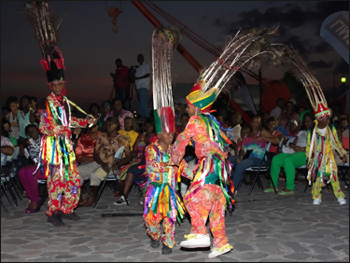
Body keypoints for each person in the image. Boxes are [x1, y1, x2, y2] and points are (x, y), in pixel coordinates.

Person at [172, 84, 234, 258]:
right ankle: (221, 242)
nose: (186, 108)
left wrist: (173, 160)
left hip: (209, 164)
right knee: (216, 203)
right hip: (221, 166)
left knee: (193, 196)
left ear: (197, 107)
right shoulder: (212, 121)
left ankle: (199, 232)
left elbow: (181, 140)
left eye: (188, 105)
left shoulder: (195, 120)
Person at [78, 116, 131, 207]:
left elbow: (129, 156)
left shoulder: (123, 139)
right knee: (77, 171)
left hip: (112, 165)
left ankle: (93, 195)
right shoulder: (101, 137)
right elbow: (95, 153)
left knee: (95, 175)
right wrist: (102, 163)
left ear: (117, 125)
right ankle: (78, 196)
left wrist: (118, 164)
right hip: (99, 162)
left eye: (111, 124)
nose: (108, 125)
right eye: (107, 123)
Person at [264, 112, 314, 194]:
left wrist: (301, 149)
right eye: (305, 122)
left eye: (308, 121)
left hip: (306, 154)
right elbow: (295, 142)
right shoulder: (301, 132)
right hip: (295, 151)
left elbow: (316, 147)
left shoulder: (315, 133)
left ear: (313, 122)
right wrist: (293, 145)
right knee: (276, 159)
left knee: (288, 160)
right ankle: (273, 185)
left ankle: (290, 187)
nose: (306, 123)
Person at [230, 115, 279, 190]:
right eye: (254, 122)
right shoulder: (246, 135)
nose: (255, 124)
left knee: (240, 165)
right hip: (246, 157)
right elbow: (242, 150)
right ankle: (227, 185)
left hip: (258, 158)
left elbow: (276, 141)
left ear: (260, 124)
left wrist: (263, 138)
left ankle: (232, 190)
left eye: (257, 122)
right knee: (226, 161)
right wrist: (240, 156)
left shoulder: (262, 132)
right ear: (251, 123)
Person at [18, 124, 46, 213]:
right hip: (36, 165)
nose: (32, 133)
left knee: (30, 172)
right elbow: (22, 146)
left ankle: (35, 201)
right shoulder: (29, 142)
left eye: (33, 131)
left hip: (47, 166)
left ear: (38, 131)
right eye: (29, 132)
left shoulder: (44, 139)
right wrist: (22, 146)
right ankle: (33, 197)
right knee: (22, 171)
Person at [135, 54, 151, 118]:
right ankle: (142, 115)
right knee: (139, 102)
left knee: (143, 101)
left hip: (144, 86)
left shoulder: (146, 65)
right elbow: (135, 77)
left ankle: (147, 116)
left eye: (140, 57)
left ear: (143, 58)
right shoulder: (138, 67)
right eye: (138, 58)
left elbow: (148, 74)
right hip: (138, 87)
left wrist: (139, 78)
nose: (139, 59)